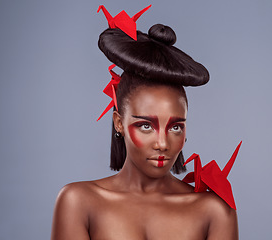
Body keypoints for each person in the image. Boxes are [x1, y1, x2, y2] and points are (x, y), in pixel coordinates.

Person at [51, 5, 239, 240]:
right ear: (119, 123)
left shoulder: (216, 211)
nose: (162, 144)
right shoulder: (78, 202)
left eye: (175, 127)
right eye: (146, 125)